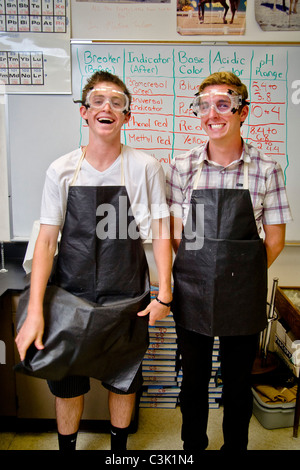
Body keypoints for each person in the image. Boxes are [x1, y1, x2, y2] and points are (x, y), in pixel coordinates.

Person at [15, 71, 172, 451]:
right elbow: (47, 240)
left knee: (124, 380)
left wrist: (164, 294)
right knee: (67, 386)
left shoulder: (145, 167)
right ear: (84, 113)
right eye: (98, 101)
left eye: (117, 102)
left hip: (126, 298)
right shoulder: (62, 169)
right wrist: (35, 308)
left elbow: (163, 231)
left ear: (127, 116)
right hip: (71, 296)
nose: (107, 107)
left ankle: (119, 453)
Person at [166, 71, 293, 451]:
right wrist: (201, 274)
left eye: (223, 104)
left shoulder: (267, 170)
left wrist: (238, 276)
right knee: (194, 380)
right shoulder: (180, 168)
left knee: (238, 382)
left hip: (244, 294)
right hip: (192, 291)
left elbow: (275, 239)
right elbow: (176, 235)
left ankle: (235, 446)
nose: (212, 113)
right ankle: (193, 448)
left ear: (243, 111)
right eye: (203, 105)